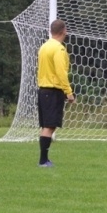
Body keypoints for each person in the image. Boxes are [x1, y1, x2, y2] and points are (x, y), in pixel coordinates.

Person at [37, 19, 75, 167]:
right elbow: (61, 72)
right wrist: (68, 92)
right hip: (53, 91)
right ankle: (43, 161)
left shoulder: (44, 47)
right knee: (49, 126)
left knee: (46, 126)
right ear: (63, 31)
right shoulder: (58, 49)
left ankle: (44, 159)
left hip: (43, 89)